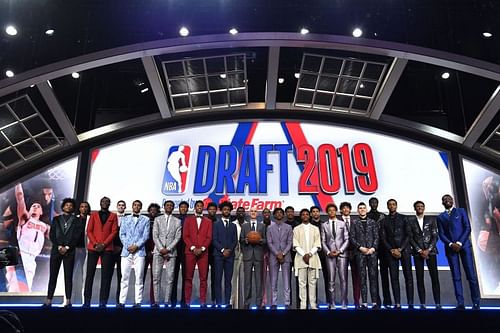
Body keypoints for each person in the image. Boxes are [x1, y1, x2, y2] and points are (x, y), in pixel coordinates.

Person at [437, 194, 480, 310]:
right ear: (442, 202)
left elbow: (467, 227)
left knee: (471, 275)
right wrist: (451, 244)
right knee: (456, 276)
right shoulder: (440, 217)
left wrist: (460, 243)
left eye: (449, 198)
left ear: (453, 200)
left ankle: (476, 302)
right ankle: (460, 303)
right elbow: (441, 234)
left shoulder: (461, 211)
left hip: (464, 246)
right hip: (451, 248)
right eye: (445, 199)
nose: (447, 200)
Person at [43, 198, 83, 308]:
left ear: (73, 207)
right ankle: (49, 300)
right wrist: (59, 245)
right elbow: (52, 234)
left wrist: (67, 247)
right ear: (63, 207)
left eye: (71, 205)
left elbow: (77, 235)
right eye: (67, 205)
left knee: (68, 276)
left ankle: (68, 301)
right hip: (56, 250)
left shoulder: (77, 220)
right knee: (53, 276)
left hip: (69, 251)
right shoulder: (56, 219)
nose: (69, 207)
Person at [83, 196, 118, 308]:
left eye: (107, 202)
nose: (105, 203)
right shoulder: (93, 215)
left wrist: (104, 244)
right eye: (103, 201)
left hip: (107, 248)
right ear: (100, 203)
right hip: (93, 248)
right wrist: (95, 244)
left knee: (106, 276)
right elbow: (89, 230)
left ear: (109, 204)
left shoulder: (113, 216)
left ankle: (103, 301)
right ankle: (87, 301)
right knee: (89, 275)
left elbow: (114, 231)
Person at [380, 199, 413, 309]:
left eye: (394, 204)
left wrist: (400, 249)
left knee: (408, 276)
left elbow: (409, 235)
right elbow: (383, 238)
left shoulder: (404, 218)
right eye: (390, 205)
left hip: (404, 250)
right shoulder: (384, 221)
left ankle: (410, 303)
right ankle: (397, 303)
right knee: (394, 278)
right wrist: (391, 250)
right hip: (391, 252)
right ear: (387, 206)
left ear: (396, 206)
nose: (392, 206)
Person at [15, 183, 49, 291]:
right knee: (16, 286)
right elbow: (20, 197)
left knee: (27, 288)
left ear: (41, 212)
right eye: (33, 206)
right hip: (21, 255)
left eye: (38, 206)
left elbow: (58, 237)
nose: (35, 207)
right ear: (29, 210)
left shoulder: (45, 226)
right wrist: (17, 182)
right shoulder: (25, 218)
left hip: (32, 259)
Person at [407, 201, 441, 309]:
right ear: (415, 208)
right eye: (418, 207)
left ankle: (438, 303)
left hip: (431, 252)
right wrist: (419, 250)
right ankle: (422, 303)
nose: (420, 208)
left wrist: (428, 250)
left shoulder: (431, 220)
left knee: (434, 278)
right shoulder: (410, 221)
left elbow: (435, 236)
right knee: (419, 278)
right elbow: (410, 237)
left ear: (424, 208)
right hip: (418, 254)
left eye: (421, 206)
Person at [117, 200, 150, 308]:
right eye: (135, 205)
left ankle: (138, 302)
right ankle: (122, 302)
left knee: (139, 277)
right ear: (132, 206)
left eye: (138, 205)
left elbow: (145, 236)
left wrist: (136, 246)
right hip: (126, 251)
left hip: (139, 251)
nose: (136, 207)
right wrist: (128, 246)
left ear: (141, 207)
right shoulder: (125, 219)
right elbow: (122, 234)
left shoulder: (146, 219)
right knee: (124, 277)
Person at [151, 200, 182, 308]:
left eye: (171, 205)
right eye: (167, 205)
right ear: (164, 207)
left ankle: (167, 301)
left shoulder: (177, 221)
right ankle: (156, 301)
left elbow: (178, 237)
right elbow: (155, 235)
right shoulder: (157, 219)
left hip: (171, 252)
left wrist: (168, 249)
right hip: (158, 251)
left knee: (170, 278)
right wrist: (161, 249)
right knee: (156, 277)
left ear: (173, 208)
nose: (169, 207)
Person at [350, 202, 379, 309]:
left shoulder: (372, 222)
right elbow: (352, 238)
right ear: (358, 210)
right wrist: (360, 248)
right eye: (360, 208)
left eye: (363, 208)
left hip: (372, 253)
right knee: (362, 278)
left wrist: (372, 248)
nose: (362, 209)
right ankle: (365, 302)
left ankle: (375, 302)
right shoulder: (354, 222)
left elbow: (377, 237)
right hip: (360, 253)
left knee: (373, 278)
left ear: (366, 210)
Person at [183, 200, 212, 307]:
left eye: (201, 206)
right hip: (190, 252)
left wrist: (203, 248)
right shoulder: (188, 220)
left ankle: (203, 302)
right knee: (188, 278)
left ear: (203, 208)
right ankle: (187, 302)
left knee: (203, 278)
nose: (199, 207)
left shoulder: (208, 221)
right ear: (195, 208)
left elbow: (209, 237)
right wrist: (193, 248)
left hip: (203, 253)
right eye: (197, 206)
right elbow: (185, 236)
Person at [321, 203, 349, 309]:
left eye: (333, 210)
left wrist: (340, 250)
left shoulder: (342, 224)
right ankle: (332, 303)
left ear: (336, 211)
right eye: (330, 210)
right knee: (331, 280)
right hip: (330, 256)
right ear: (327, 212)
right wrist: (328, 252)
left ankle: (344, 303)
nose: (332, 212)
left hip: (342, 254)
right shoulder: (324, 225)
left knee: (343, 279)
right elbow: (323, 241)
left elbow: (347, 239)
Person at [293, 208, 322, 310]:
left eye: (306, 214)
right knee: (302, 283)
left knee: (312, 283)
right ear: (301, 217)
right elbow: (295, 244)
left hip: (313, 258)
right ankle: (303, 305)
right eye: (303, 214)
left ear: (309, 216)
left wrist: (309, 254)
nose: (305, 216)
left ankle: (313, 305)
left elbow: (317, 243)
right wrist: (304, 255)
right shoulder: (296, 229)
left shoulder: (315, 228)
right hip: (300, 259)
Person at [212, 201, 238, 308]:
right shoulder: (216, 224)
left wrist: (229, 250)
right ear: (221, 211)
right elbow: (214, 240)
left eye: (228, 209)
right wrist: (223, 250)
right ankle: (218, 303)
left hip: (230, 257)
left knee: (228, 281)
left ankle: (227, 302)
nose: (226, 211)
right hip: (218, 255)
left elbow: (234, 240)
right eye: (224, 209)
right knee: (217, 280)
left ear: (230, 211)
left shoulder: (233, 225)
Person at [240, 207, 267, 309]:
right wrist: (247, 240)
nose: (253, 213)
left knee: (259, 280)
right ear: (249, 213)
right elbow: (241, 239)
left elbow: (265, 240)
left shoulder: (262, 226)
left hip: (258, 255)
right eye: (252, 211)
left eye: (255, 211)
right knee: (247, 280)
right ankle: (247, 302)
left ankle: (259, 303)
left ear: (258, 214)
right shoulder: (244, 226)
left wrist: (259, 240)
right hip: (247, 255)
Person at [266, 207, 293, 309]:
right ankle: (274, 303)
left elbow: (290, 242)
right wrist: (277, 253)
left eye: (281, 213)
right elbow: (269, 242)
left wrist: (284, 253)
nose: (279, 214)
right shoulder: (269, 228)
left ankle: (287, 302)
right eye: (277, 213)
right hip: (274, 256)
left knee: (286, 281)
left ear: (283, 215)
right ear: (274, 215)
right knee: (274, 281)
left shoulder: (289, 227)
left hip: (286, 256)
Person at [339, 201, 360, 308]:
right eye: (344, 208)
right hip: (342, 252)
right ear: (341, 210)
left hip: (355, 252)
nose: (346, 210)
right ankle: (344, 302)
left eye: (347, 208)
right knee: (343, 278)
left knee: (357, 278)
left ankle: (357, 302)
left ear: (350, 210)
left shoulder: (356, 221)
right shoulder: (337, 221)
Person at [171, 200, 189, 308]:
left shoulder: (190, 220)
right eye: (181, 207)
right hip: (174, 249)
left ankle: (184, 301)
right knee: (173, 276)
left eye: (185, 207)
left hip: (186, 250)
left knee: (185, 277)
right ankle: (172, 301)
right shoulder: (174, 219)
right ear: (179, 208)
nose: (183, 209)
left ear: (187, 209)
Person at [310, 205, 329, 305]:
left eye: (317, 211)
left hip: (324, 255)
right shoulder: (308, 226)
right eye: (313, 211)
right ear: (311, 214)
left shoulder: (324, 225)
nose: (315, 213)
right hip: (312, 255)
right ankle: (314, 302)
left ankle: (330, 301)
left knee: (328, 278)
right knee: (312, 279)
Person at [73, 201, 90, 302]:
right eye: (82, 207)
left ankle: (85, 300)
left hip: (86, 249)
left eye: (86, 207)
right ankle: (68, 298)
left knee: (85, 275)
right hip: (75, 249)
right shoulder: (75, 219)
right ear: (79, 208)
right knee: (71, 274)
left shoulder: (91, 218)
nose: (84, 208)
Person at [143, 203, 160, 305]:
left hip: (156, 252)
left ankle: (153, 301)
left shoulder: (160, 221)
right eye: (151, 210)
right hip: (144, 252)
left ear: (158, 211)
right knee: (141, 276)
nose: (153, 211)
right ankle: (138, 300)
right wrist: (146, 250)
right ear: (149, 211)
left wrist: (154, 250)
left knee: (155, 278)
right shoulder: (144, 221)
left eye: (155, 210)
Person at [230, 206, 246, 309]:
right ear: (236, 213)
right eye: (239, 211)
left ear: (245, 213)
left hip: (245, 253)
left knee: (244, 279)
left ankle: (244, 303)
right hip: (234, 252)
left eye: (242, 211)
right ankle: (232, 301)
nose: (240, 213)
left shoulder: (247, 224)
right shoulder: (232, 224)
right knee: (233, 278)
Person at [113, 200, 127, 305]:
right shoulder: (112, 217)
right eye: (119, 205)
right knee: (107, 276)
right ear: (117, 207)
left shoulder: (128, 218)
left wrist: (122, 247)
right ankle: (104, 301)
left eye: (123, 205)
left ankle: (119, 301)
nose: (121, 207)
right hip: (111, 249)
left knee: (121, 277)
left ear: (125, 207)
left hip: (123, 250)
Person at [206, 201, 218, 306]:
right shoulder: (204, 221)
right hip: (204, 252)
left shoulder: (218, 222)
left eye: (214, 209)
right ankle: (203, 300)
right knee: (203, 277)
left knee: (215, 278)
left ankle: (214, 300)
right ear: (207, 210)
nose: (212, 211)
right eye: (210, 209)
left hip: (216, 253)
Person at [260, 207, 272, 307]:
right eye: (265, 212)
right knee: (263, 278)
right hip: (262, 253)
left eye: (268, 212)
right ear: (262, 214)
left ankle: (273, 301)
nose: (266, 214)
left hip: (273, 254)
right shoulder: (260, 225)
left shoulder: (274, 225)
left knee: (273, 278)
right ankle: (263, 301)